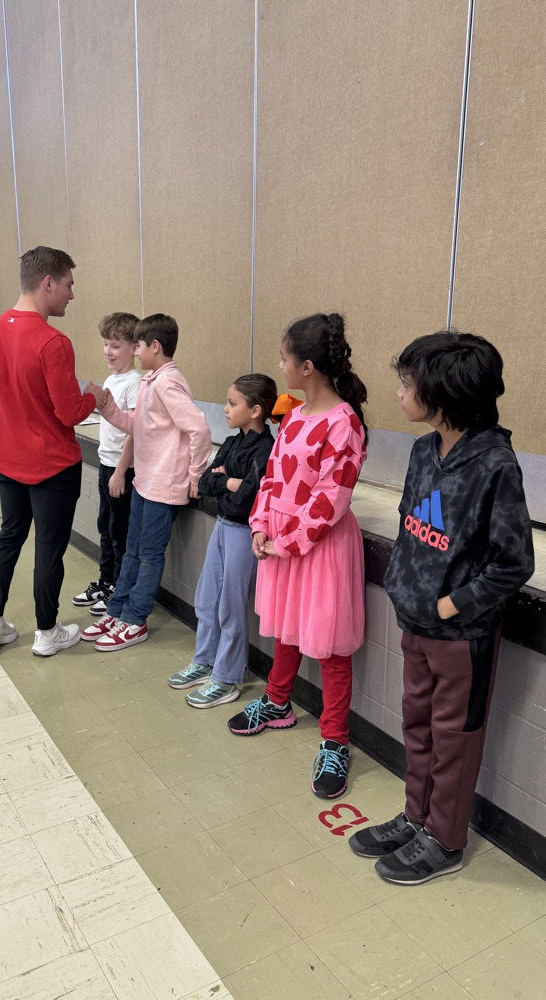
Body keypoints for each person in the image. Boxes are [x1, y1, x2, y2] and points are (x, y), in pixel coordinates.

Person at [349, 332, 534, 885]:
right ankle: (416, 818)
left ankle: (445, 838)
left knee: (454, 737)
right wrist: (409, 592)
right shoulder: (424, 449)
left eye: (408, 383)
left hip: (461, 634)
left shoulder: (494, 464)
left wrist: (453, 604)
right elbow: (414, 526)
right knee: (419, 727)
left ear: (445, 393)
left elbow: (514, 561)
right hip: (415, 621)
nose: (400, 392)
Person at [226, 313, 369, 801]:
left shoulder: (344, 422)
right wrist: (261, 524)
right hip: (283, 540)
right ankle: (278, 701)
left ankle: (335, 739)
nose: (280, 365)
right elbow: (271, 478)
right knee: (287, 629)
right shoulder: (292, 417)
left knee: (328, 645)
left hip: (319, 546)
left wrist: (284, 540)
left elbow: (331, 500)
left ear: (307, 366)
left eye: (285, 358)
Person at [0, 247, 104, 656]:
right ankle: (47, 632)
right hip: (51, 465)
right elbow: (68, 414)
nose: (71, 295)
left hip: (8, 460)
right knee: (49, 547)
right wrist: (94, 397)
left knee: (9, 536)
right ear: (48, 282)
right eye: (68, 285)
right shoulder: (52, 341)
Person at [81, 314, 212, 651]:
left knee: (149, 556)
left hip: (163, 486)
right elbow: (137, 427)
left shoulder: (168, 383)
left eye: (137, 345)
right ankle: (119, 610)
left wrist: (195, 475)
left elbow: (198, 429)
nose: (135, 352)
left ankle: (135, 619)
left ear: (155, 346)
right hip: (145, 482)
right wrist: (108, 406)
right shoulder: (153, 382)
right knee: (133, 551)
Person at [167, 374, 278, 708]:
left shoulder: (266, 449)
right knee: (206, 597)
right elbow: (204, 483)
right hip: (223, 526)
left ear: (256, 409)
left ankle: (227, 677)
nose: (225, 409)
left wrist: (226, 483)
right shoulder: (231, 443)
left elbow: (248, 498)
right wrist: (230, 483)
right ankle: (205, 660)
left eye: (233, 403)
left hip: (244, 533)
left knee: (230, 606)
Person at [72, 312, 141, 616]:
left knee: (120, 531)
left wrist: (121, 472)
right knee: (105, 527)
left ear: (134, 348)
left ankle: (118, 587)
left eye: (115, 345)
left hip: (122, 469)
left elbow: (136, 431)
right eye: (105, 345)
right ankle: (105, 580)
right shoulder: (112, 379)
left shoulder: (136, 383)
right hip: (106, 462)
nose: (107, 352)